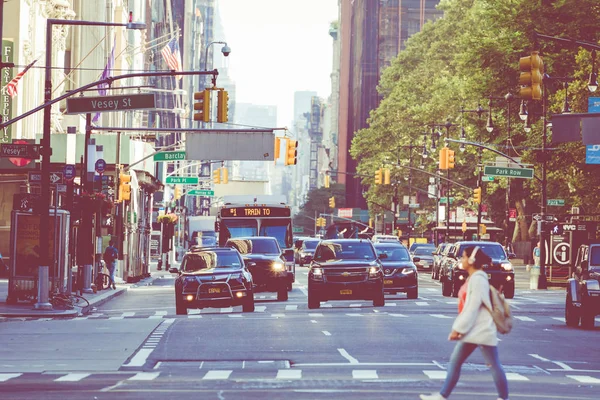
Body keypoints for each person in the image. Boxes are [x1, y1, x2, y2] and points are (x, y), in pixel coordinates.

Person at [420, 246, 509, 400]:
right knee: (463, 362)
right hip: (476, 330)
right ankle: (443, 395)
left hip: (480, 329)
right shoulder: (475, 278)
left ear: (472, 260)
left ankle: (503, 397)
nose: (461, 260)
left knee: (491, 364)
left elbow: (472, 307)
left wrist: (457, 329)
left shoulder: (478, 279)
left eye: (463, 256)